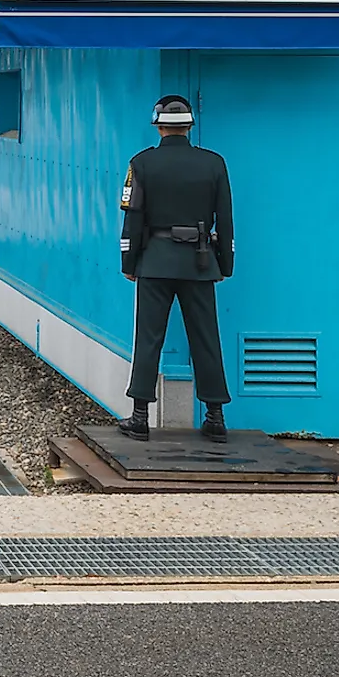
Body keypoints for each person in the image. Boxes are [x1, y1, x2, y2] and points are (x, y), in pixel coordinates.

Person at [116, 93, 234, 443]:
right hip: (200, 260)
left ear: (158, 125)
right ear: (189, 126)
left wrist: (129, 261)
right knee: (206, 338)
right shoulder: (214, 164)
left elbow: (133, 218)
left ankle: (140, 417)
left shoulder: (141, 164)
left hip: (154, 260)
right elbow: (225, 220)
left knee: (149, 338)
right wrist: (224, 263)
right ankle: (215, 416)